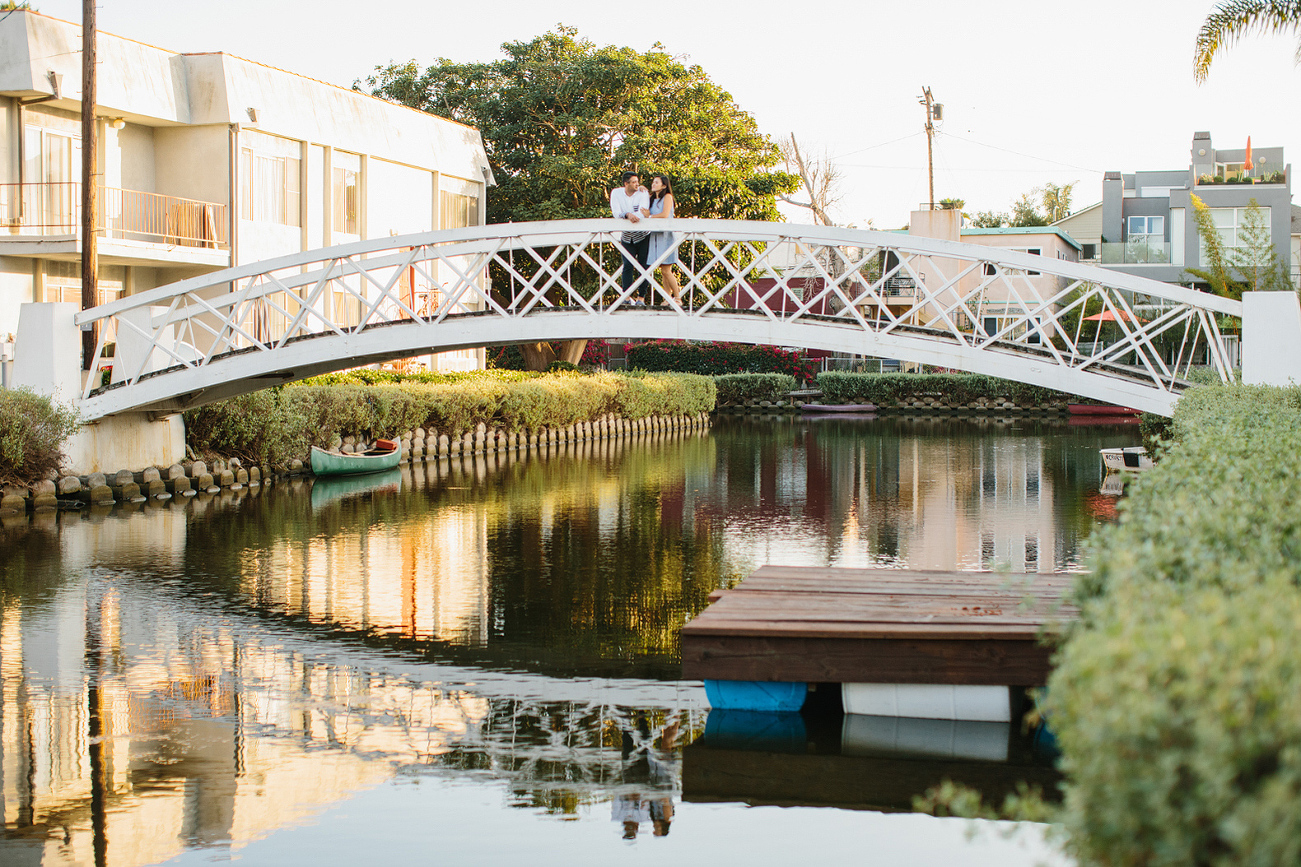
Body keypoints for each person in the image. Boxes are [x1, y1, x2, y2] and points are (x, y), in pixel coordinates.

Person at [610, 171, 651, 304]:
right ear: (626, 183)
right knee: (627, 265)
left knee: (644, 266)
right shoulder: (616, 193)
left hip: (643, 235)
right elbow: (615, 212)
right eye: (633, 182)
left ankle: (641, 297)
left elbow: (643, 211)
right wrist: (627, 214)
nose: (637, 184)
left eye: (637, 181)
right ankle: (626, 297)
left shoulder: (642, 192)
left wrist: (634, 215)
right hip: (627, 236)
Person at [644, 174, 681, 305]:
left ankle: (677, 298)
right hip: (655, 236)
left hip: (666, 236)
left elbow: (665, 214)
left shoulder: (668, 197)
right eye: (653, 182)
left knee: (666, 270)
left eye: (656, 182)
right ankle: (667, 298)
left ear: (664, 185)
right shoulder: (652, 199)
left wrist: (649, 216)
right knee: (663, 270)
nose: (653, 184)